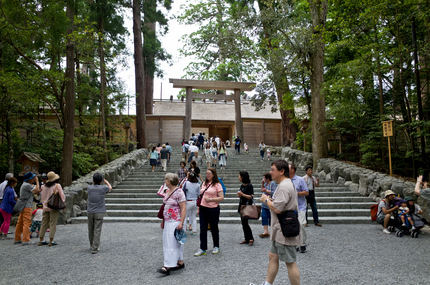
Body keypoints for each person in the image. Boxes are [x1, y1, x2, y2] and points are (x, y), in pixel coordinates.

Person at [251, 160, 301, 285]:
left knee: (290, 262)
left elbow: (278, 209)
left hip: (284, 230)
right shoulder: (285, 184)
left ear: (282, 171)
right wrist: (272, 200)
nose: (270, 172)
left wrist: (266, 200)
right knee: (273, 256)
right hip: (280, 229)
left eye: (273, 169)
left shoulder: (284, 186)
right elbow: (282, 204)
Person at [158, 173, 186, 276]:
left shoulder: (179, 192)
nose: (165, 181)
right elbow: (165, 206)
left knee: (171, 243)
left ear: (170, 181)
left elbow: (183, 208)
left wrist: (181, 222)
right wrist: (163, 220)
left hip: (175, 221)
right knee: (170, 242)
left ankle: (168, 266)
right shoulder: (168, 191)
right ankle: (179, 262)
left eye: (166, 179)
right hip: (168, 220)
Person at [194, 168, 224, 257]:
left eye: (209, 173)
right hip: (203, 208)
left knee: (214, 228)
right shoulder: (204, 183)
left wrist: (211, 199)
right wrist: (199, 208)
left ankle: (216, 246)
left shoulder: (217, 184)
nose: (207, 175)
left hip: (213, 208)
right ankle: (203, 248)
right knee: (203, 228)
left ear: (213, 175)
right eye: (206, 173)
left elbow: (221, 198)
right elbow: (201, 196)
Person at [87, 173, 112, 254]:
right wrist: (107, 182)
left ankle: (91, 245)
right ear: (101, 181)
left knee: (91, 229)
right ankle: (95, 248)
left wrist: (94, 182)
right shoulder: (103, 188)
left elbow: (92, 185)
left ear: (93, 180)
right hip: (99, 211)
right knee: (97, 230)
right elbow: (110, 188)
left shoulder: (89, 188)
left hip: (90, 211)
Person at [38, 171, 65, 247]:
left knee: (44, 223)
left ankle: (41, 239)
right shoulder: (57, 185)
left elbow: (42, 196)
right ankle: (51, 240)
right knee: (52, 224)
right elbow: (62, 196)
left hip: (45, 207)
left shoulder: (43, 186)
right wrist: (63, 204)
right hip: (53, 207)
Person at [15, 171, 41, 246]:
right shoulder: (27, 185)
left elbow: (36, 191)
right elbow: (36, 190)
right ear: (29, 179)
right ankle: (26, 239)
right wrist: (37, 181)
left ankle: (17, 238)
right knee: (27, 222)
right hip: (27, 206)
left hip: (23, 206)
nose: (33, 178)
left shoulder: (25, 184)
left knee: (20, 222)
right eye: (33, 178)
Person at [289, 164, 308, 253]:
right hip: (290, 207)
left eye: (287, 168)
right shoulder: (286, 181)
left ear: (293, 170)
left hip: (300, 206)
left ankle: (303, 244)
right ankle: (295, 244)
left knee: (301, 224)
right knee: (293, 225)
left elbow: (306, 192)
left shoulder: (300, 180)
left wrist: (297, 193)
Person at [237, 171, 254, 246]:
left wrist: (242, 194)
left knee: (245, 223)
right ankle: (246, 238)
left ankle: (251, 238)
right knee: (243, 223)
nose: (239, 177)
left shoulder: (249, 186)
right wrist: (239, 195)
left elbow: (251, 196)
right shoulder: (242, 185)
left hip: (247, 206)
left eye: (239, 176)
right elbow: (241, 196)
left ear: (243, 177)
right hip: (241, 205)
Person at [183, 171, 200, 235]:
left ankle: (184, 230)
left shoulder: (186, 183)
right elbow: (199, 193)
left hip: (188, 201)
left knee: (185, 217)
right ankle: (194, 230)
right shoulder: (198, 184)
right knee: (193, 217)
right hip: (195, 201)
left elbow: (182, 190)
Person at [260, 173, 277, 238]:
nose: (263, 179)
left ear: (267, 178)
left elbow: (275, 192)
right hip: (264, 204)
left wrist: (267, 191)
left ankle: (273, 231)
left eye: (264, 178)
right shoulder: (264, 184)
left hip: (270, 203)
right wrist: (262, 184)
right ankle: (265, 231)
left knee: (271, 218)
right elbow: (262, 190)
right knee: (264, 217)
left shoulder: (273, 183)